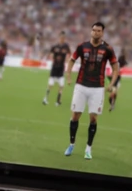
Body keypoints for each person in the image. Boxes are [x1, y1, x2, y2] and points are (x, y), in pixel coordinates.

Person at [64, 21, 119, 160]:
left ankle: (88, 148)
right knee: (75, 116)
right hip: (81, 85)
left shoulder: (108, 49)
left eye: (98, 31)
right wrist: (69, 75)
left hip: (98, 88)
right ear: (91, 31)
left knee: (93, 118)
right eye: (94, 30)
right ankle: (71, 144)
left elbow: (116, 68)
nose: (96, 32)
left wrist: (112, 83)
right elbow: (71, 60)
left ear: (102, 32)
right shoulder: (82, 46)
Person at [43, 31, 71, 106]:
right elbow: (50, 54)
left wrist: (67, 60)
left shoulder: (66, 46)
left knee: (61, 85)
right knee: (50, 84)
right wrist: (52, 58)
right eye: (61, 37)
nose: (62, 39)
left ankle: (58, 101)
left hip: (61, 68)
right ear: (59, 38)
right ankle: (45, 98)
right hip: (54, 68)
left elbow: (69, 54)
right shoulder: (55, 46)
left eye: (63, 38)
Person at [109, 47, 127, 111]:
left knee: (114, 93)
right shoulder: (120, 60)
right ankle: (112, 104)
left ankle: (112, 104)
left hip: (116, 81)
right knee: (113, 93)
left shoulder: (119, 61)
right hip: (115, 81)